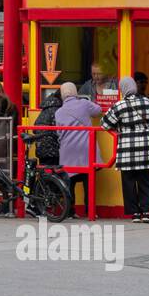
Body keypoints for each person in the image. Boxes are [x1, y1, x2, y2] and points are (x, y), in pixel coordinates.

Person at [101, 75, 149, 222]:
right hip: (145, 147)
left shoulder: (119, 105)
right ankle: (145, 212)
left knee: (129, 181)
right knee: (145, 180)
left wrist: (119, 127)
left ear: (122, 89)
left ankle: (135, 213)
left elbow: (104, 124)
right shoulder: (147, 102)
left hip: (126, 149)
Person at [55, 81, 104, 217]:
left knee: (69, 183)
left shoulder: (59, 112)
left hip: (68, 150)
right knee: (89, 183)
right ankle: (90, 212)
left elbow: (59, 133)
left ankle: (70, 212)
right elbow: (98, 110)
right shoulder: (83, 103)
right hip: (85, 149)